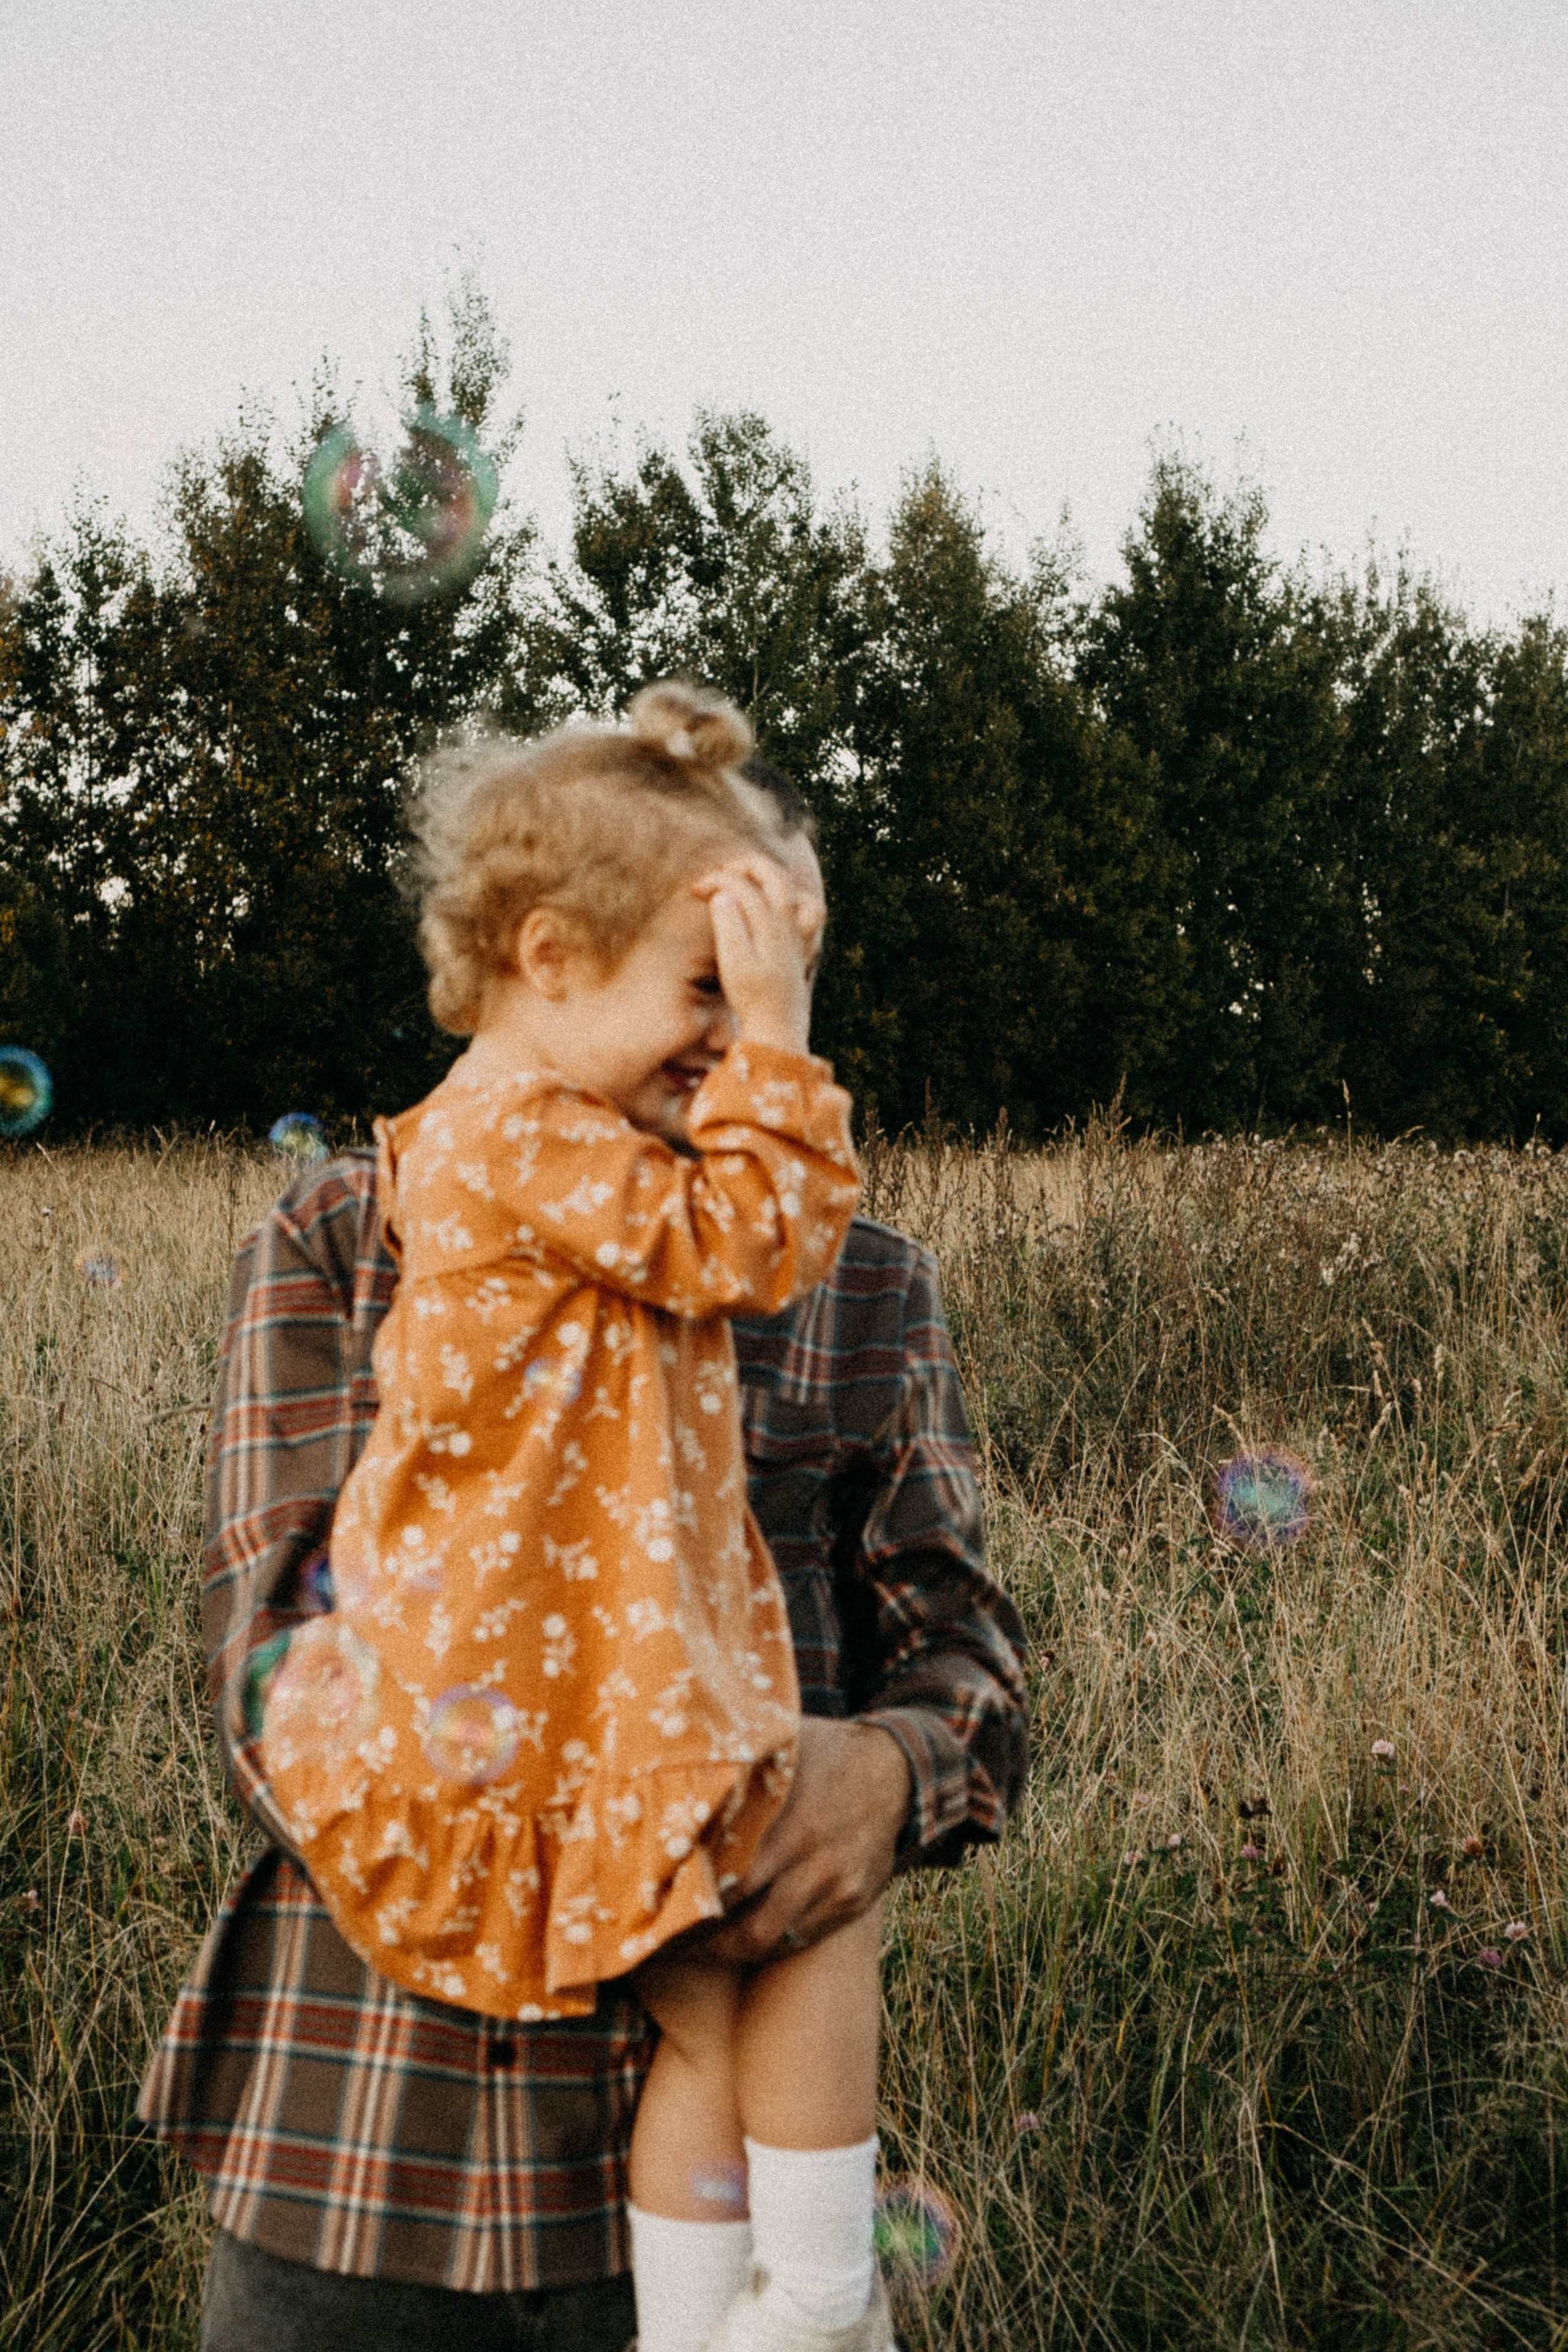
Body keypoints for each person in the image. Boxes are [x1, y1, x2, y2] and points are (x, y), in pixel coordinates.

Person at [139, 733, 1030, 2352]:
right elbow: (263, 1653)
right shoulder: (352, 1231)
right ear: (562, 953)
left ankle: (803, 2304)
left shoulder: (855, 1275)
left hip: (717, 2165)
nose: (743, 1028)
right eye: (717, 978)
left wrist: (893, 1774)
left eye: (774, 982)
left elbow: (966, 1648)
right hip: (365, 2151)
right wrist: (558, 1844)